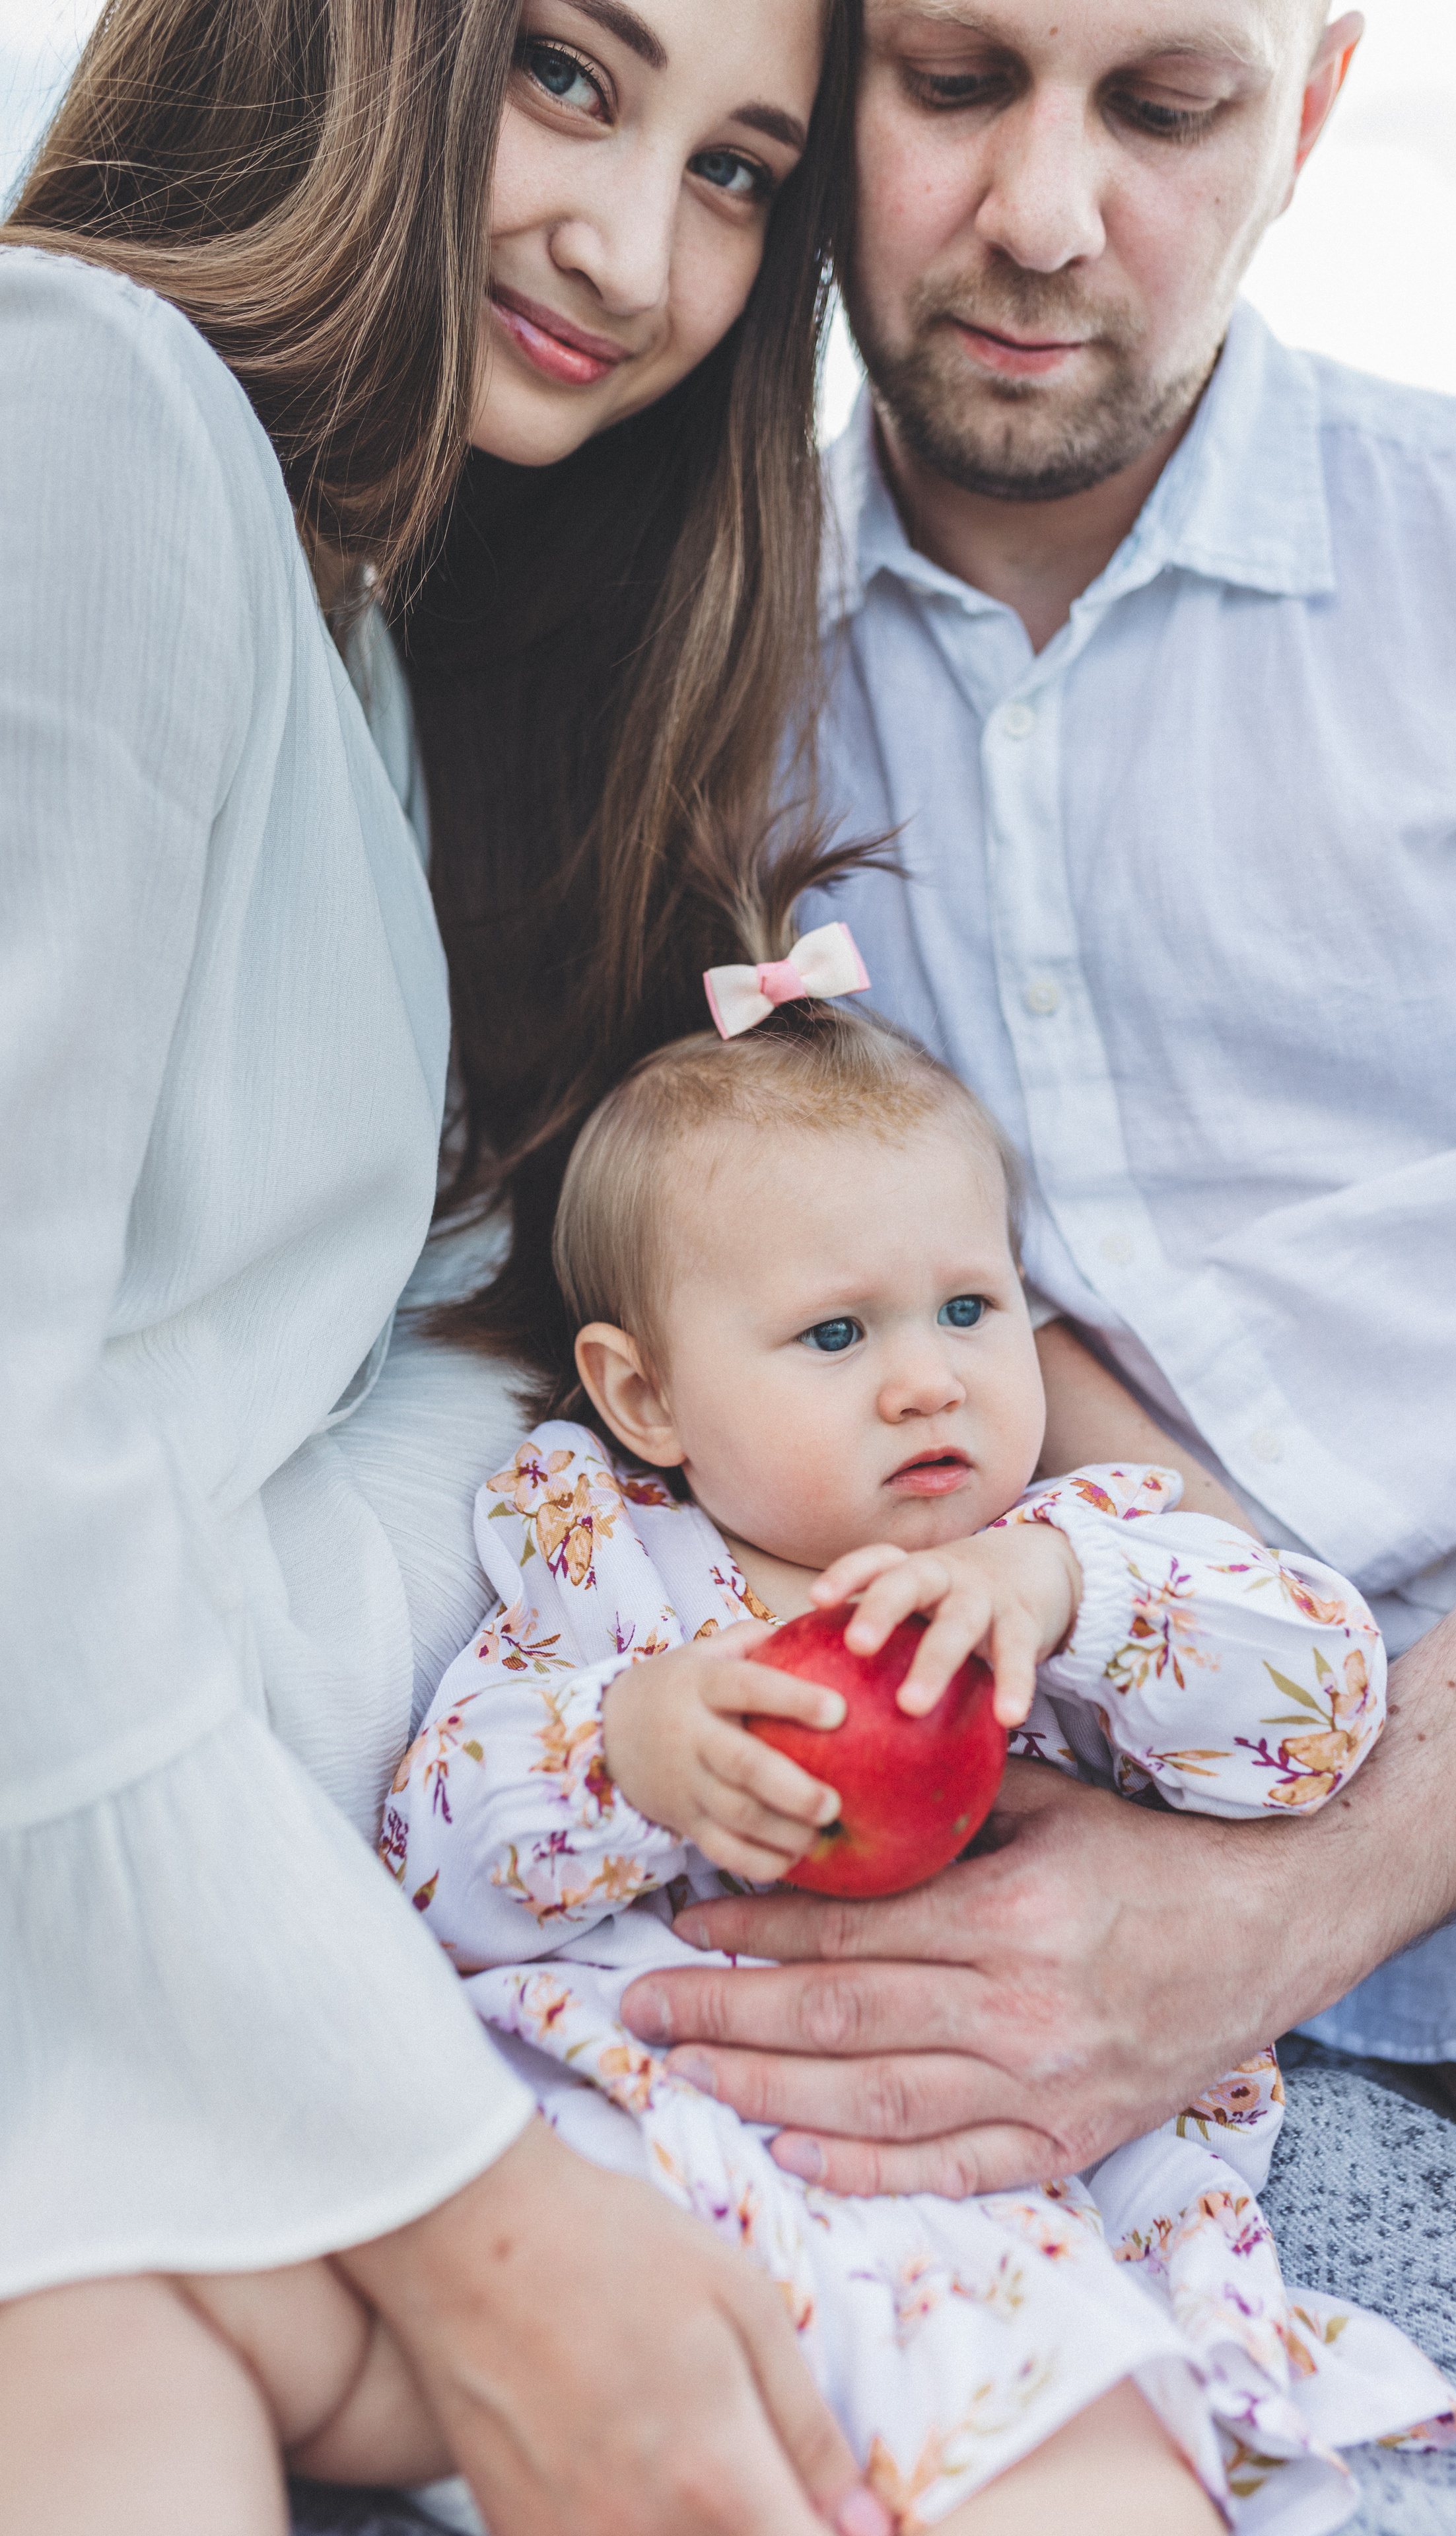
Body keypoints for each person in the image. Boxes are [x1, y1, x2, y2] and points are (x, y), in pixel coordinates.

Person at [607, 0, 1456, 2255]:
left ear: (1312, 107)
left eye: (1168, 108)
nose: (1041, 216)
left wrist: (1274, 1912)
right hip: (1027, 1808)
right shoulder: (685, 688)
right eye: (955, 83)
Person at [0, 3, 899, 2531]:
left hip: (143, 1885)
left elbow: (366, 1392)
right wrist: (477, 2220)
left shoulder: (372, 640)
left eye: (737, 173)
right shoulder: (89, 410)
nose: (637, 257)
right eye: (572, 78)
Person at [381, 913, 1456, 2531]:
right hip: (630, 2132)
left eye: (969, 1309)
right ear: (644, 1397)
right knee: (382, 2305)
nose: (926, 1382)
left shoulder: (1071, 1559)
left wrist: (1068, 1597)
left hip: (944, 2175)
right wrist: (623, 1752)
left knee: (1068, 2430)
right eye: (836, 1334)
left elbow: (1326, 1708)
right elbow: (424, 1862)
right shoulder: (604, 1573)